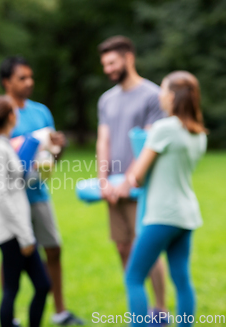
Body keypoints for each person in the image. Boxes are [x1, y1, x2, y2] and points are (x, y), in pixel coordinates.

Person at [0, 56, 83, 326]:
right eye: (22, 78)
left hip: (37, 193)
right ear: (7, 82)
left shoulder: (41, 112)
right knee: (12, 259)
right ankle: (11, 315)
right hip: (9, 201)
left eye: (31, 77)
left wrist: (57, 147)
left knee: (52, 249)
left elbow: (51, 157)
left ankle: (60, 311)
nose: (29, 82)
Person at [125, 71, 207, 326]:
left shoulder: (164, 128)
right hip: (186, 215)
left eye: (162, 90)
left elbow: (137, 176)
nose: (159, 95)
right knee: (182, 280)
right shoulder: (198, 133)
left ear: (173, 96)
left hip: (162, 214)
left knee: (134, 277)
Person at [96, 36, 168, 316]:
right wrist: (103, 180)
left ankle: (160, 310)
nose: (108, 69)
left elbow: (151, 143)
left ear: (128, 58)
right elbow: (104, 140)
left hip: (143, 187)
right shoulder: (106, 99)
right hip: (112, 189)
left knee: (146, 250)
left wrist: (129, 181)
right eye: (104, 64)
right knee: (123, 247)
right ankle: (139, 306)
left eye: (112, 62)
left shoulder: (153, 95)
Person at [0, 95, 51, 327]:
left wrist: (38, 172)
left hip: (16, 230)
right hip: (12, 233)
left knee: (32, 286)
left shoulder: (2, 144)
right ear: (10, 116)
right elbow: (0, 196)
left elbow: (13, 184)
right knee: (20, 287)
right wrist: (25, 237)